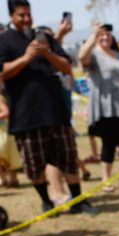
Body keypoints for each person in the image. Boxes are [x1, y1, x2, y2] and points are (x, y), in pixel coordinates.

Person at [0, 0, 96, 214]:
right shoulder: (4, 41)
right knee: (34, 163)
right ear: (11, 16)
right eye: (21, 15)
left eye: (28, 14)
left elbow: (67, 67)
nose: (27, 19)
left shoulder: (44, 38)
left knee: (67, 156)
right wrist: (26, 58)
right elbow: (3, 72)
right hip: (26, 115)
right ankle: (46, 201)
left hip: (55, 111)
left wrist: (47, 53)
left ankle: (78, 200)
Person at [79, 21, 119, 191]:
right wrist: (94, 34)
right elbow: (82, 57)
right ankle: (106, 179)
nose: (105, 37)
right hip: (107, 108)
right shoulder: (94, 55)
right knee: (109, 143)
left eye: (108, 34)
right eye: (102, 34)